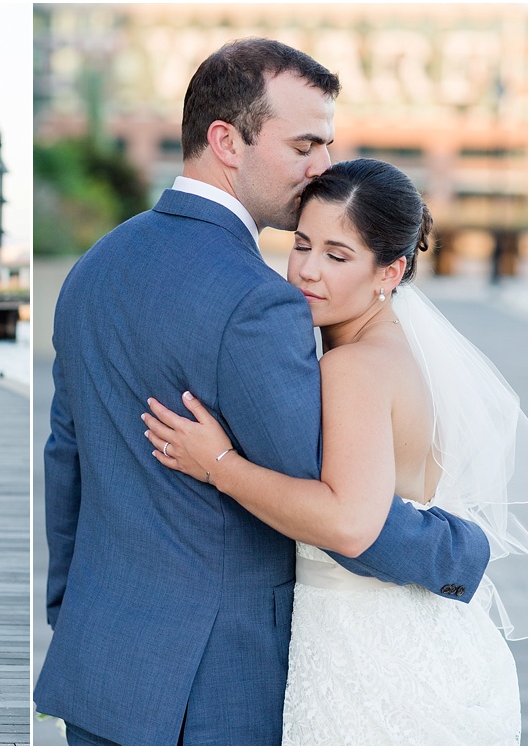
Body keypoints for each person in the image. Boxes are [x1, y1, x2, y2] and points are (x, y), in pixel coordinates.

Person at [34, 38, 492, 746]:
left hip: (101, 666)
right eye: (306, 143)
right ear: (226, 139)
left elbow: (66, 459)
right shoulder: (256, 302)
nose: (323, 167)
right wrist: (460, 549)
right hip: (211, 686)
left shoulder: (94, 268)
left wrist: (73, 610)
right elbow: (335, 506)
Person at [144, 158, 526, 744]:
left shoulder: (352, 367)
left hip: (370, 660)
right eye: (302, 244)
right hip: (426, 639)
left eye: (337, 255)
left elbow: (350, 523)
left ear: (389, 271)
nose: (307, 272)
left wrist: (219, 465)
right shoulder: (403, 351)